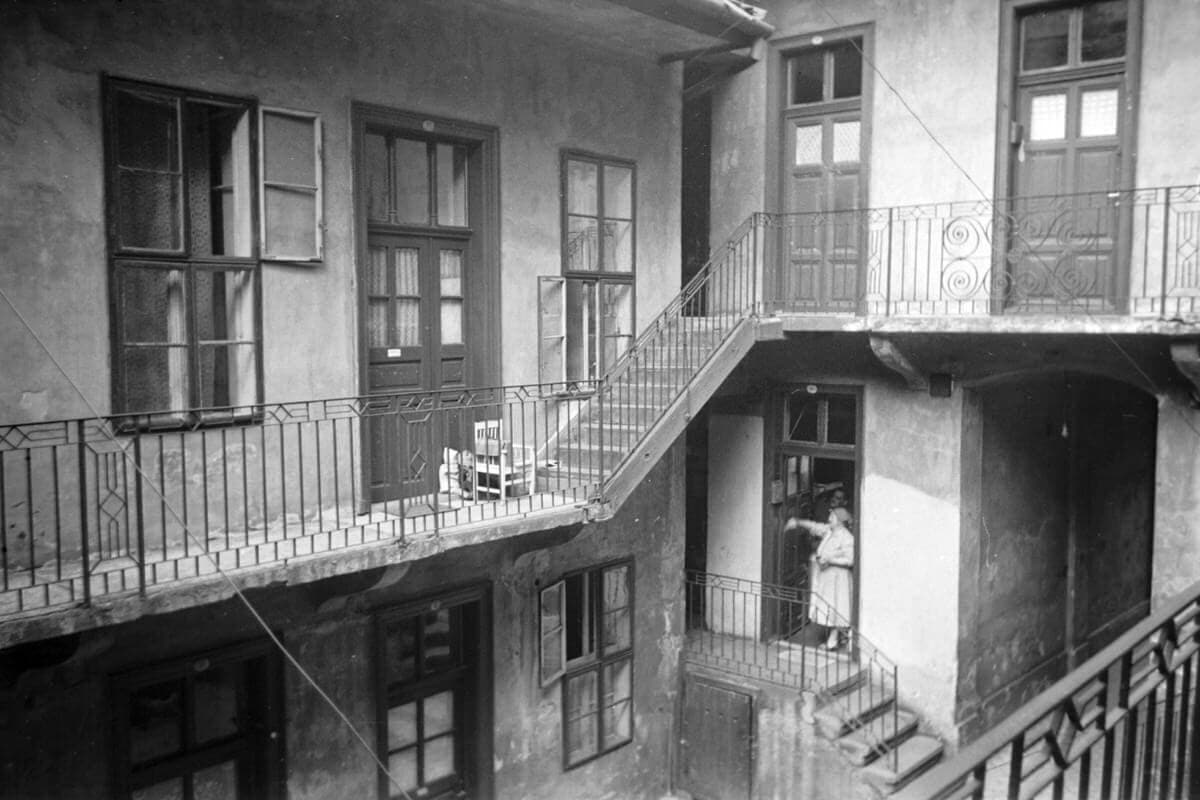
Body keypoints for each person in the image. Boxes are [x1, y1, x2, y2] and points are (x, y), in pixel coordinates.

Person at [790, 506, 855, 650]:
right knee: (829, 607)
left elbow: (850, 560)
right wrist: (798, 522)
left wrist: (830, 560)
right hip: (827, 577)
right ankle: (838, 636)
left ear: (839, 521)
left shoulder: (847, 538)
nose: (829, 519)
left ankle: (833, 640)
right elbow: (815, 526)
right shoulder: (829, 531)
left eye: (832, 517)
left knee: (838, 608)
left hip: (839, 579)